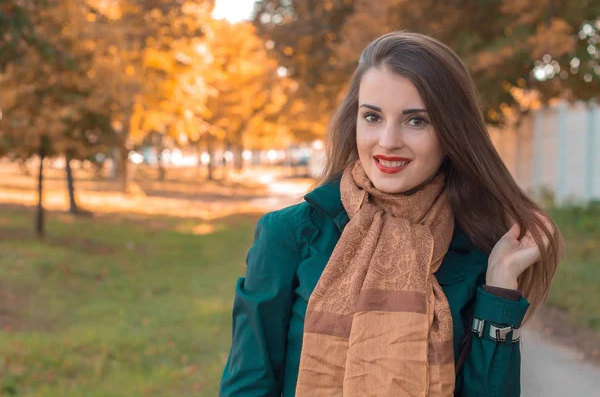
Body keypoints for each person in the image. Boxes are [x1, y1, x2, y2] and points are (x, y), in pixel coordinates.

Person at [219, 32, 564, 397]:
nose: (387, 140)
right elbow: (247, 385)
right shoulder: (288, 235)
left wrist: (500, 280)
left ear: (451, 134)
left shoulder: (475, 249)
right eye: (372, 116)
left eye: (416, 121)